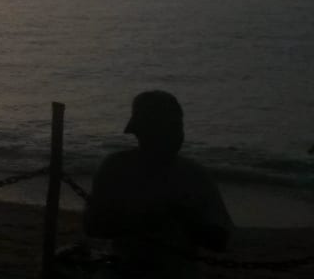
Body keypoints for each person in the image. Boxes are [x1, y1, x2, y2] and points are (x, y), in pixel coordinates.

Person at [84, 90, 233, 278]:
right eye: (167, 129)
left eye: (176, 128)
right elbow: (92, 226)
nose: (176, 135)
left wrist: (184, 219)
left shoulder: (195, 175)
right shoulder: (115, 167)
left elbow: (220, 240)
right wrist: (144, 219)